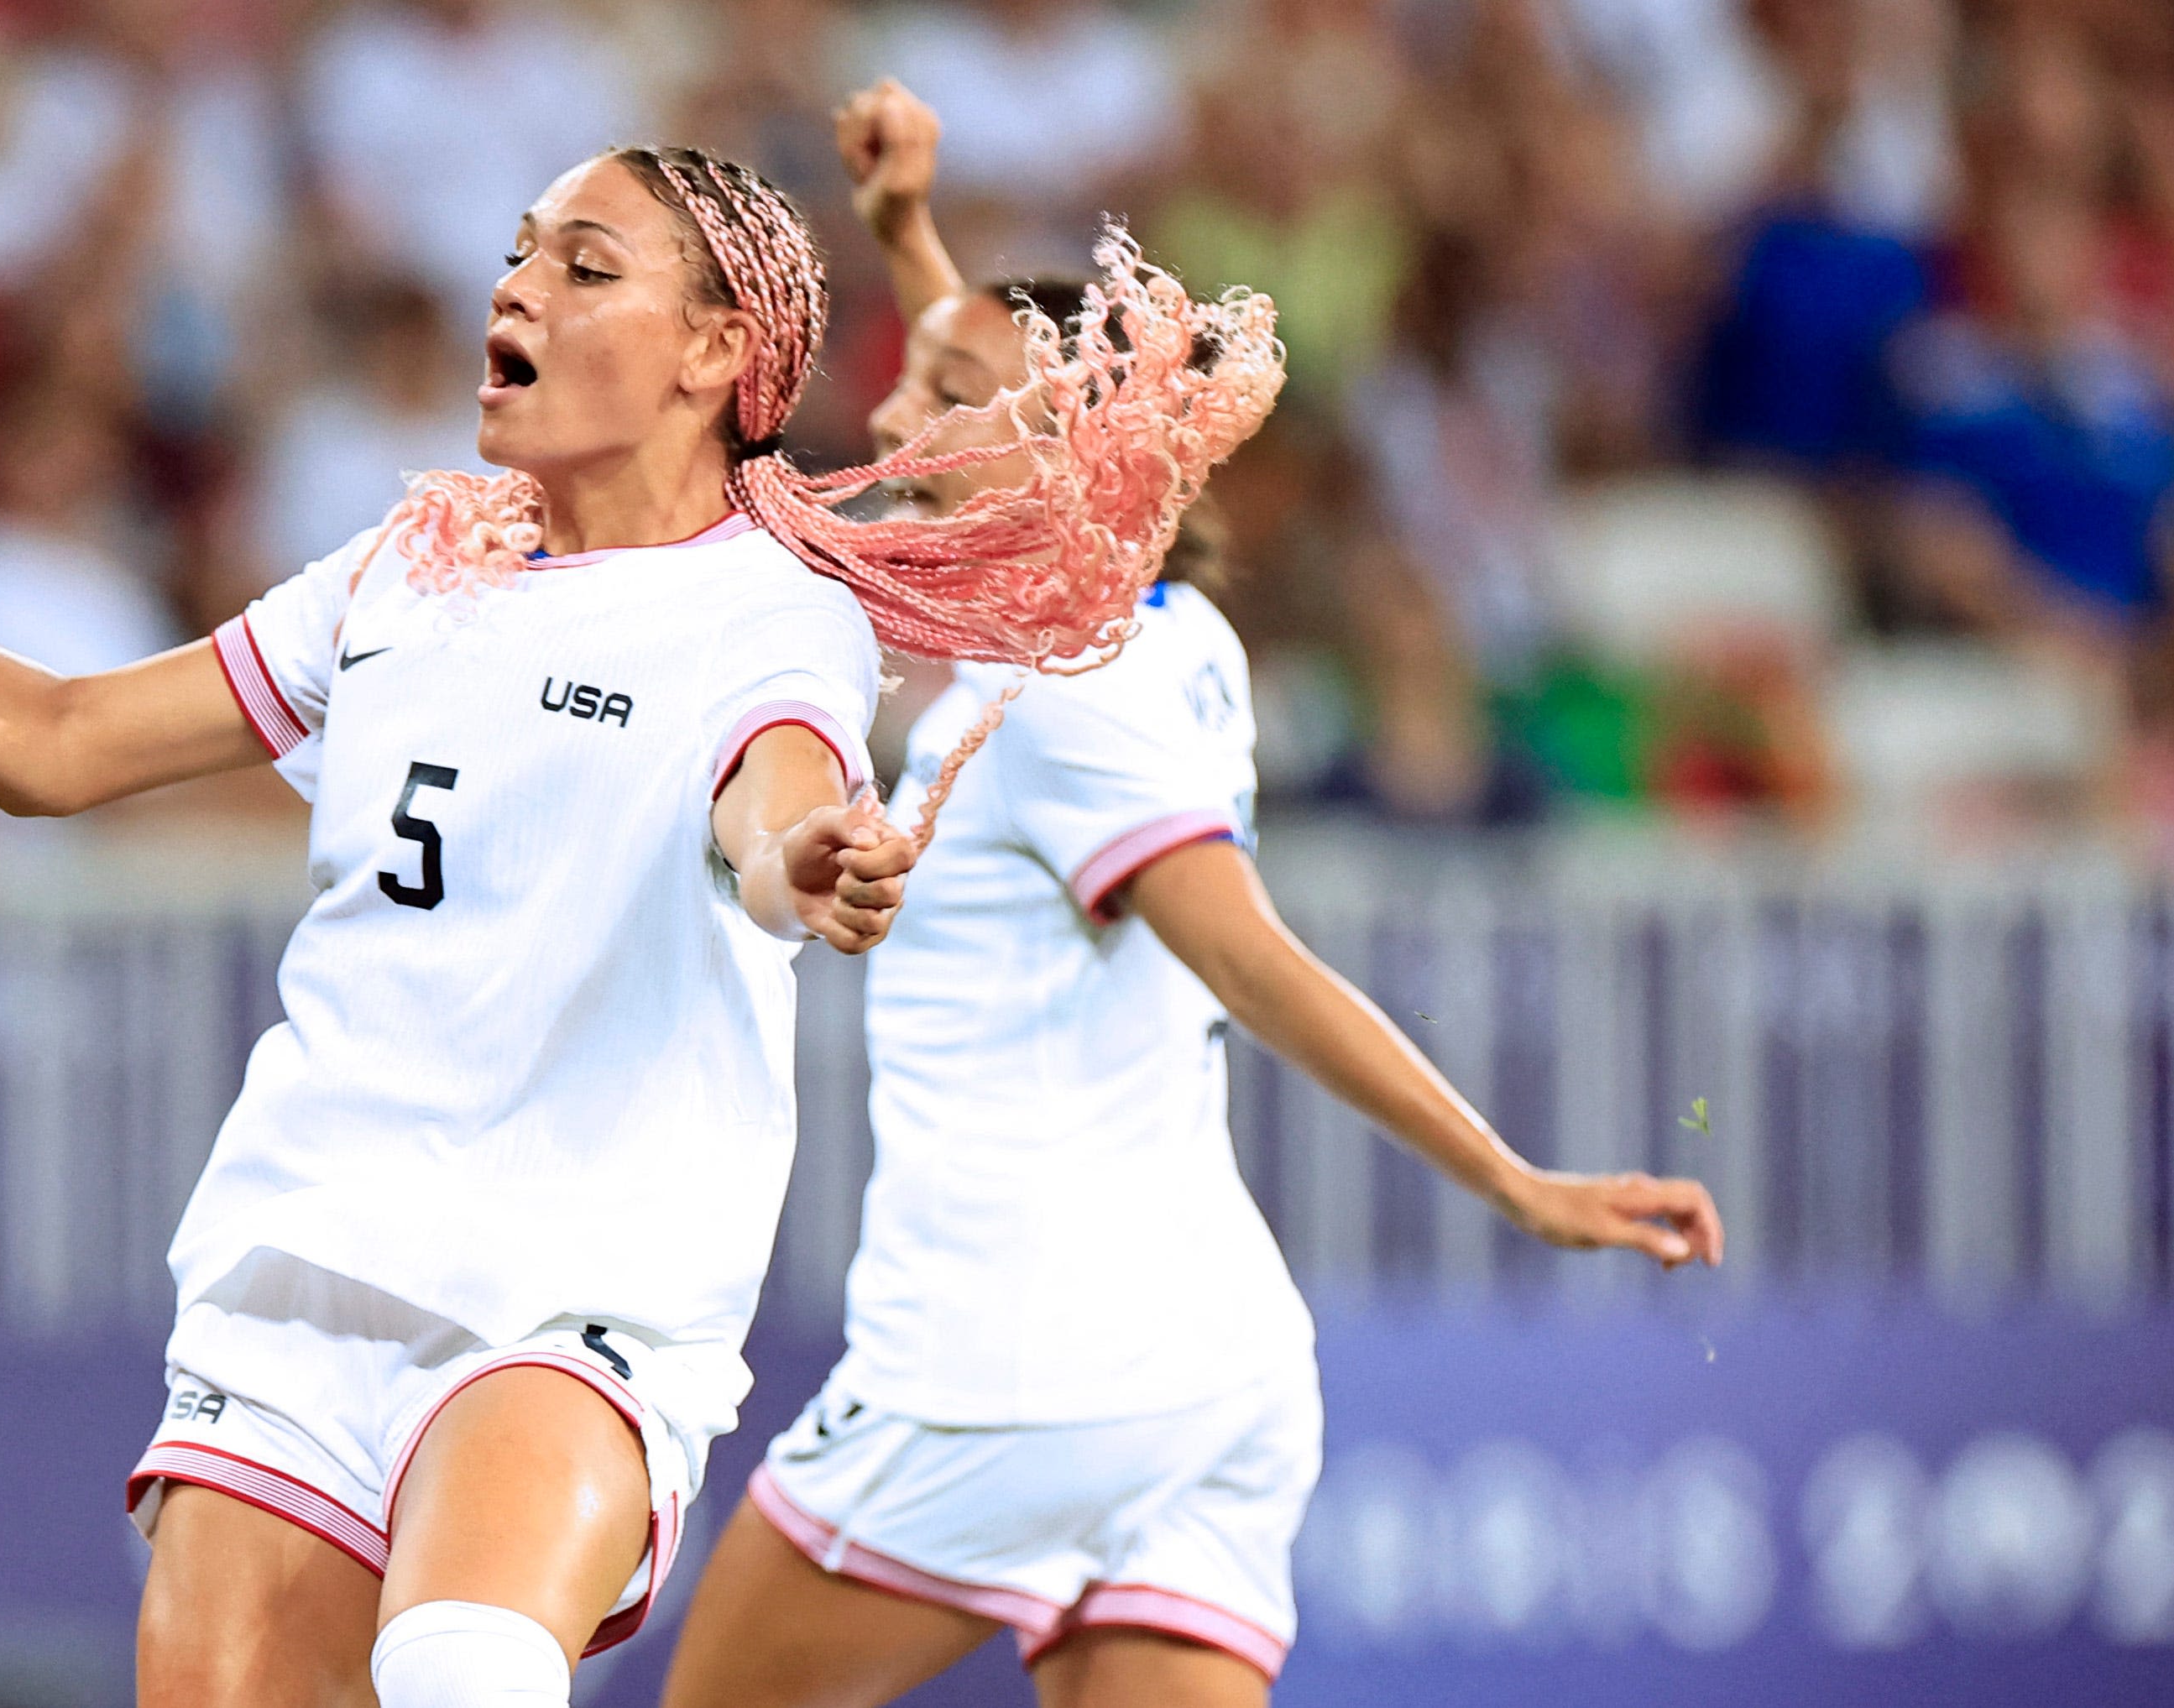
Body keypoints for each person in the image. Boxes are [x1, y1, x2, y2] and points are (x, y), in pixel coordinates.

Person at [0, 124, 1280, 1703]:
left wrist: (801, 863)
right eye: (520, 251)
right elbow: (52, 745)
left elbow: (776, 793)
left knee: (463, 1667)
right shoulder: (409, 562)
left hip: (570, 1306)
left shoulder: (772, 606)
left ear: (713, 352)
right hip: (299, 1278)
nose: (518, 286)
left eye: (585, 267)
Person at [655, 82, 1729, 1708]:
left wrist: (1515, 1182)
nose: (883, 422)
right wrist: (901, 230)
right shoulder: (1164, 626)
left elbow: (1244, 956)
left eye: (934, 394)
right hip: (1206, 1377)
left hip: (1004, 1366)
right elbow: (1016, 383)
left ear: (1064, 463)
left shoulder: (1056, 698)